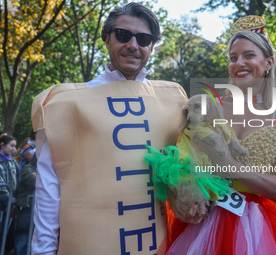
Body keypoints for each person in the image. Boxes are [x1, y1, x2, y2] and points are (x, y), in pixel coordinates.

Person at [31, 2, 187, 255]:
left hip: (155, 245)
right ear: (107, 39)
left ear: (152, 46)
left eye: (144, 38)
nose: (133, 45)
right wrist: (43, 251)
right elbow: (49, 187)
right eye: (123, 35)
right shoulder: (68, 104)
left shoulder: (176, 102)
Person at [166, 15, 276, 254]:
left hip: (257, 231)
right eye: (233, 58)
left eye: (249, 55)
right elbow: (179, 160)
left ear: (269, 62)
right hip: (201, 225)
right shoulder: (204, 109)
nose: (239, 63)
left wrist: (230, 165)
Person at [14, 153, 37, 255]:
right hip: (25, 208)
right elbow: (34, 180)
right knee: (22, 239)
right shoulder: (28, 168)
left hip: (35, 209)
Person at [0, 135, 20, 240]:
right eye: (12, 146)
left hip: (9, 204)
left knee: (5, 234)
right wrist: (9, 200)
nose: (14, 149)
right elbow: (1, 187)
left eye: (15, 146)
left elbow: (19, 177)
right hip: (4, 202)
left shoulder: (12, 162)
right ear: (2, 145)